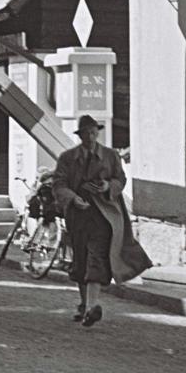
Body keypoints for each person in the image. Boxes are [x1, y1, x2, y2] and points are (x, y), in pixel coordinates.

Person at [52, 115, 152, 327]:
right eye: (86, 133)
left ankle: (92, 307)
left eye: (93, 132)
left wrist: (109, 187)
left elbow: (120, 179)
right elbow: (59, 184)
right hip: (78, 215)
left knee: (96, 258)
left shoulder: (110, 156)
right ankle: (84, 304)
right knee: (80, 258)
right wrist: (73, 198)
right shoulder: (67, 158)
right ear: (80, 135)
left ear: (98, 133)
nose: (90, 136)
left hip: (103, 214)